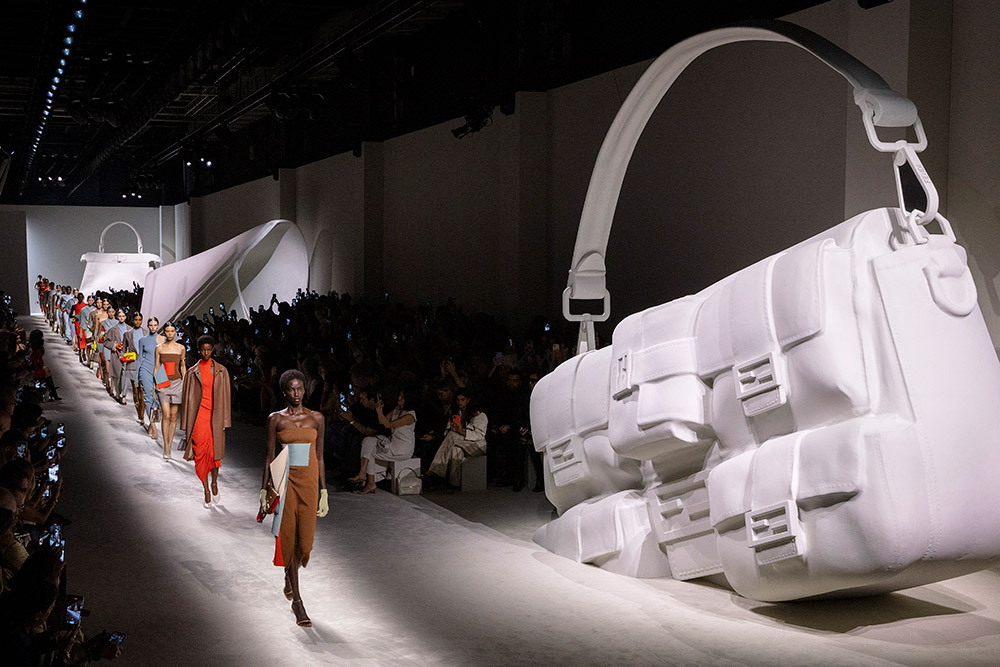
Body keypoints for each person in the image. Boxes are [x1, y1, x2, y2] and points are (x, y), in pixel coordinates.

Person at [259, 369, 328, 627]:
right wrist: (264, 488)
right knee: (289, 537)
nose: (297, 393)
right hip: (285, 481)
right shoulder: (275, 419)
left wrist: (324, 491)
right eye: (292, 389)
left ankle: (290, 575)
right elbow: (269, 456)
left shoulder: (316, 418)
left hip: (309, 483)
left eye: (300, 389)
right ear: (284, 392)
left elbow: (320, 456)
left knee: (305, 544)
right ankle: (298, 602)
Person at [180, 335, 231, 506]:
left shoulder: (222, 371)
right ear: (198, 351)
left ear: (213, 350)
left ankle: (214, 483)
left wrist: (225, 421)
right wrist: (186, 425)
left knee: (214, 454)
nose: (206, 353)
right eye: (203, 350)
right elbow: (186, 401)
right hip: (199, 416)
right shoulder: (191, 372)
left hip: (215, 416)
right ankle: (206, 490)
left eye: (209, 350)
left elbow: (226, 397)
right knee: (200, 454)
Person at [348, 384, 416, 494]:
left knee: (369, 451)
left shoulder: (410, 416)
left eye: (402, 397)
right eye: (399, 395)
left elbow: (389, 425)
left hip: (402, 449)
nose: (399, 398)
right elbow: (382, 422)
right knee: (368, 441)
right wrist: (379, 409)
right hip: (393, 444)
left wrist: (379, 411)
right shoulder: (396, 409)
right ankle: (363, 474)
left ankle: (369, 482)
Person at [425, 387, 488, 487]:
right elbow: (446, 434)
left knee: (452, 436)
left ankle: (435, 469)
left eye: (462, 400)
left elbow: (479, 435)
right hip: (459, 442)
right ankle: (454, 482)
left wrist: (461, 431)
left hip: (477, 446)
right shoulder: (455, 413)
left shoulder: (479, 415)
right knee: (455, 450)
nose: (460, 402)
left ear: (468, 400)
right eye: (458, 400)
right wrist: (451, 429)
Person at [136, 317, 164, 440]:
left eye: (155, 325)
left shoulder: (163, 339)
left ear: (158, 326)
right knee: (148, 398)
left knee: (159, 398)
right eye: (151, 325)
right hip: (146, 369)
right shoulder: (142, 340)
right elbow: (140, 359)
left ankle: (152, 424)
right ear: (148, 326)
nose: (153, 327)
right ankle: (153, 426)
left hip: (161, 370)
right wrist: (137, 375)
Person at [122, 312, 147, 422]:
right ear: (133, 320)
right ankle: (138, 412)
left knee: (142, 390)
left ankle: (142, 415)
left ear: (142, 320)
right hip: (132, 363)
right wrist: (124, 358)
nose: (138, 322)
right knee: (135, 390)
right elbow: (123, 350)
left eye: (140, 320)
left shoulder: (146, 333)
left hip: (144, 364)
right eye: (136, 319)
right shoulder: (127, 334)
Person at [103, 309, 129, 404]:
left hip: (127, 354)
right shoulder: (113, 329)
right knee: (117, 375)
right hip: (116, 354)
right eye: (120, 316)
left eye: (123, 316)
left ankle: (123, 395)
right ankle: (118, 394)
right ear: (117, 317)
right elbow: (106, 342)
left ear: (125, 317)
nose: (121, 318)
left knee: (126, 376)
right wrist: (115, 346)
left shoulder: (130, 329)